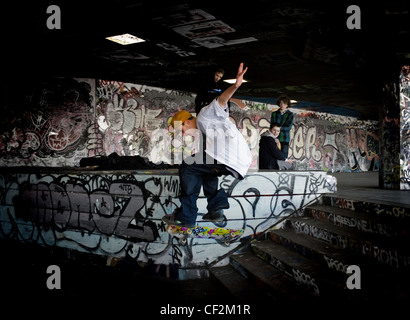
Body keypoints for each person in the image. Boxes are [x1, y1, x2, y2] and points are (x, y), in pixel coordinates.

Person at [163, 63, 251, 227]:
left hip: (231, 156)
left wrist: (235, 86)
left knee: (187, 167)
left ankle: (186, 216)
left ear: (186, 121)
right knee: (206, 169)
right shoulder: (205, 130)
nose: (183, 135)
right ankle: (216, 210)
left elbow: (221, 100)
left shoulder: (204, 115)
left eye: (181, 130)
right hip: (238, 159)